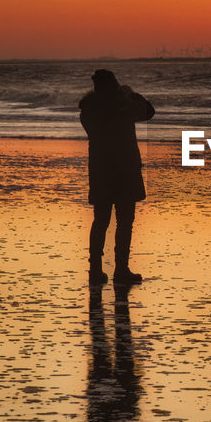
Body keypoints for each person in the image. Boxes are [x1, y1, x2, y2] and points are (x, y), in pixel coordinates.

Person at [79, 68, 155, 285]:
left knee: (101, 220)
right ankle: (121, 270)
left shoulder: (89, 109)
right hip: (125, 169)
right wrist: (130, 94)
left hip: (101, 169)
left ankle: (95, 270)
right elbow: (149, 111)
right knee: (124, 222)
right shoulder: (125, 106)